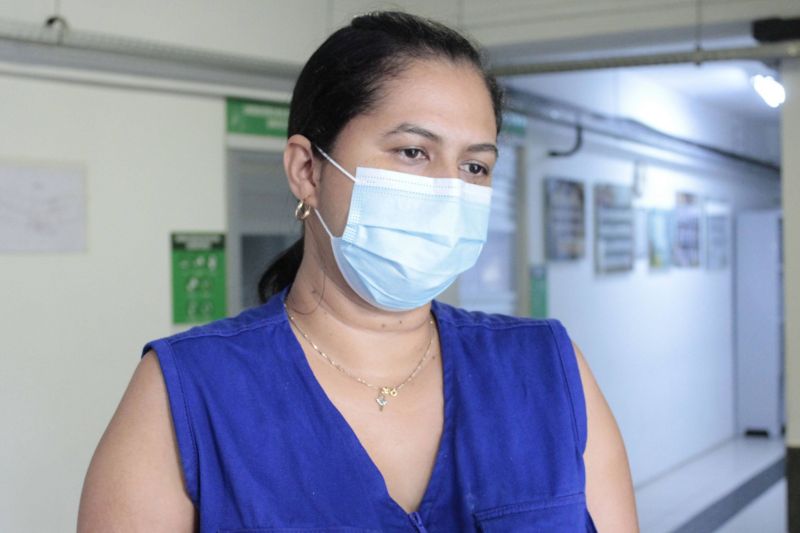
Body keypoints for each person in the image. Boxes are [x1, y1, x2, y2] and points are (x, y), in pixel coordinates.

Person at [78, 10, 638, 532]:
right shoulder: (190, 392)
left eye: (475, 165)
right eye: (412, 152)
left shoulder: (548, 371)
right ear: (306, 170)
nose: (450, 189)